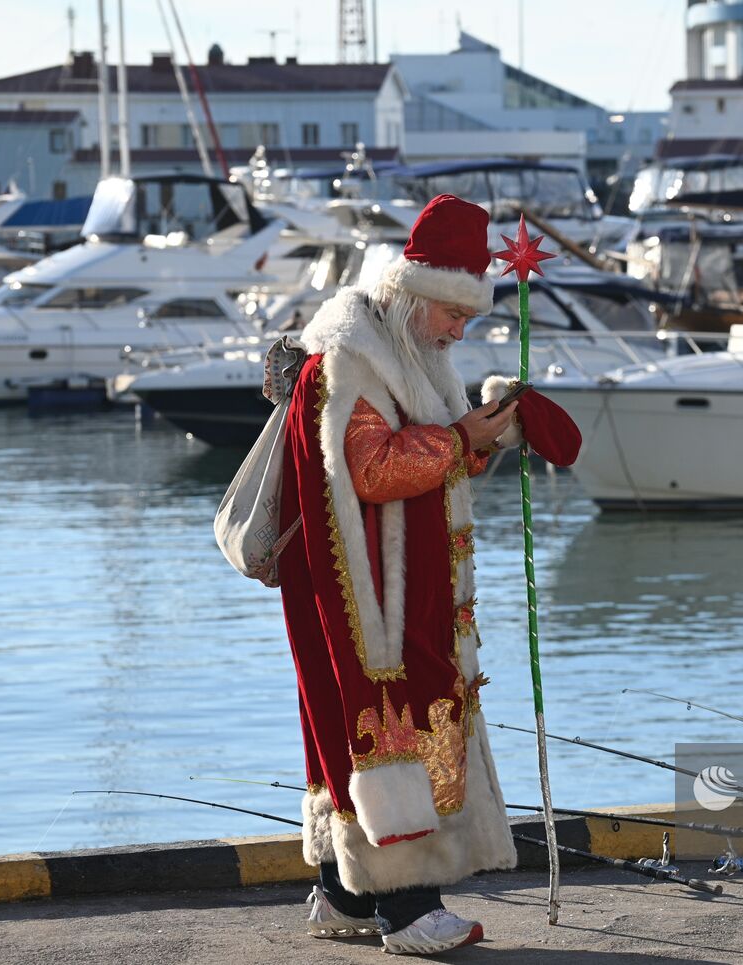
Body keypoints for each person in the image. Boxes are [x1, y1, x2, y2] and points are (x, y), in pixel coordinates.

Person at [277, 194, 527, 955]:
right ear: (418, 297)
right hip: (363, 597)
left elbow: (430, 454)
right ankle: (407, 908)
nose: (461, 329)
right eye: (454, 314)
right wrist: (459, 440)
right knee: (384, 731)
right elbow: (373, 468)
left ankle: (346, 896)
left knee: (377, 728)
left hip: (399, 586)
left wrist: (481, 435)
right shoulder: (353, 357)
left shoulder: (414, 352)